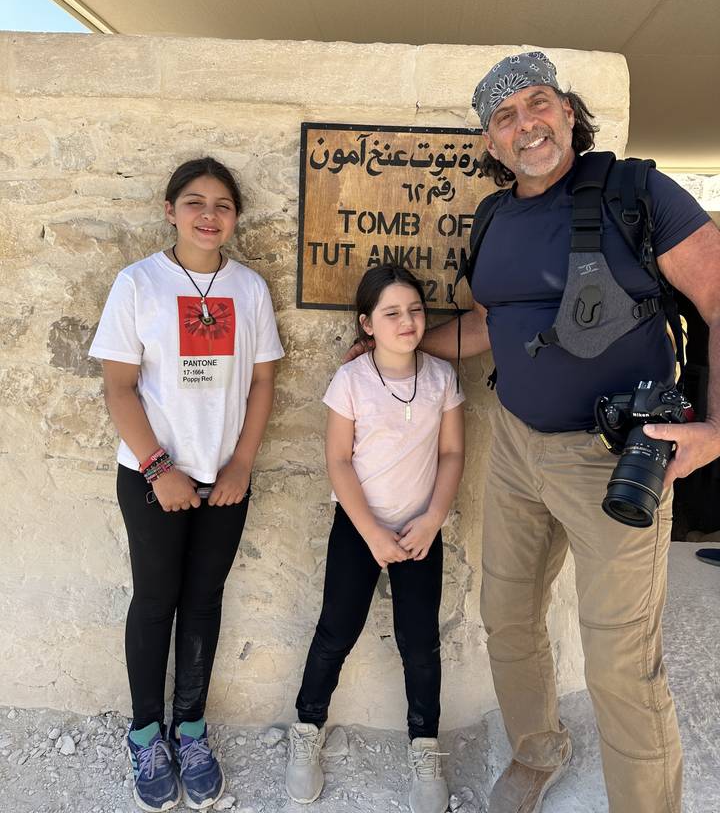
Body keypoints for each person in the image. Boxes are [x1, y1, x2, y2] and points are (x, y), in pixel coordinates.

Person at [361, 52, 720, 813]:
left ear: (567, 112)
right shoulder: (494, 217)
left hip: (615, 459)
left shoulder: (636, 192)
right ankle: (536, 750)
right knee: (508, 619)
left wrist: (717, 429)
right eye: (505, 117)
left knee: (621, 661)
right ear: (490, 142)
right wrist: (402, 346)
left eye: (537, 104)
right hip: (517, 448)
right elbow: (489, 322)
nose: (525, 125)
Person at [89, 157, 284, 812]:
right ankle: (146, 734)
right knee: (155, 602)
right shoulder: (139, 283)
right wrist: (157, 468)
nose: (209, 215)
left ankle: (191, 730)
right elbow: (119, 388)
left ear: (235, 217)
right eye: (195, 202)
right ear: (170, 211)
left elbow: (263, 381)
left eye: (223, 204)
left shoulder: (249, 289)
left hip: (224, 479)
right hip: (152, 478)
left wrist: (241, 464)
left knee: (203, 602)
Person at [284, 265, 465, 813]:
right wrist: (370, 533)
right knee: (335, 631)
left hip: (419, 530)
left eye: (415, 310)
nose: (407, 321)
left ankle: (425, 745)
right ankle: (307, 728)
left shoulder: (441, 377)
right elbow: (339, 461)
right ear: (367, 323)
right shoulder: (352, 380)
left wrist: (433, 519)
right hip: (359, 527)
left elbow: (452, 452)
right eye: (391, 313)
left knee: (420, 641)